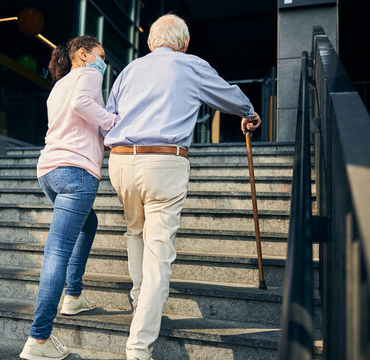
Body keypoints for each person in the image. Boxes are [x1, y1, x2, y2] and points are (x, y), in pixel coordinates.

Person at [104, 14, 261, 360]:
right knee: (159, 253)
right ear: (185, 43)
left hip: (119, 159)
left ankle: (140, 301)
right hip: (164, 160)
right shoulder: (190, 65)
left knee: (134, 232)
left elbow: (109, 116)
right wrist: (249, 111)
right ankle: (139, 346)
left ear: (149, 43)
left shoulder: (129, 70)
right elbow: (228, 97)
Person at [20, 35, 116, 360]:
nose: (104, 61)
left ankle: (73, 295)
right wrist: (112, 122)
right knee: (58, 250)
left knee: (89, 224)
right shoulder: (90, 73)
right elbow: (83, 107)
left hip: (48, 170)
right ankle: (39, 338)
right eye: (101, 55)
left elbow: (74, 123)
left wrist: (101, 134)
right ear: (83, 53)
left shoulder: (59, 85)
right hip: (76, 173)